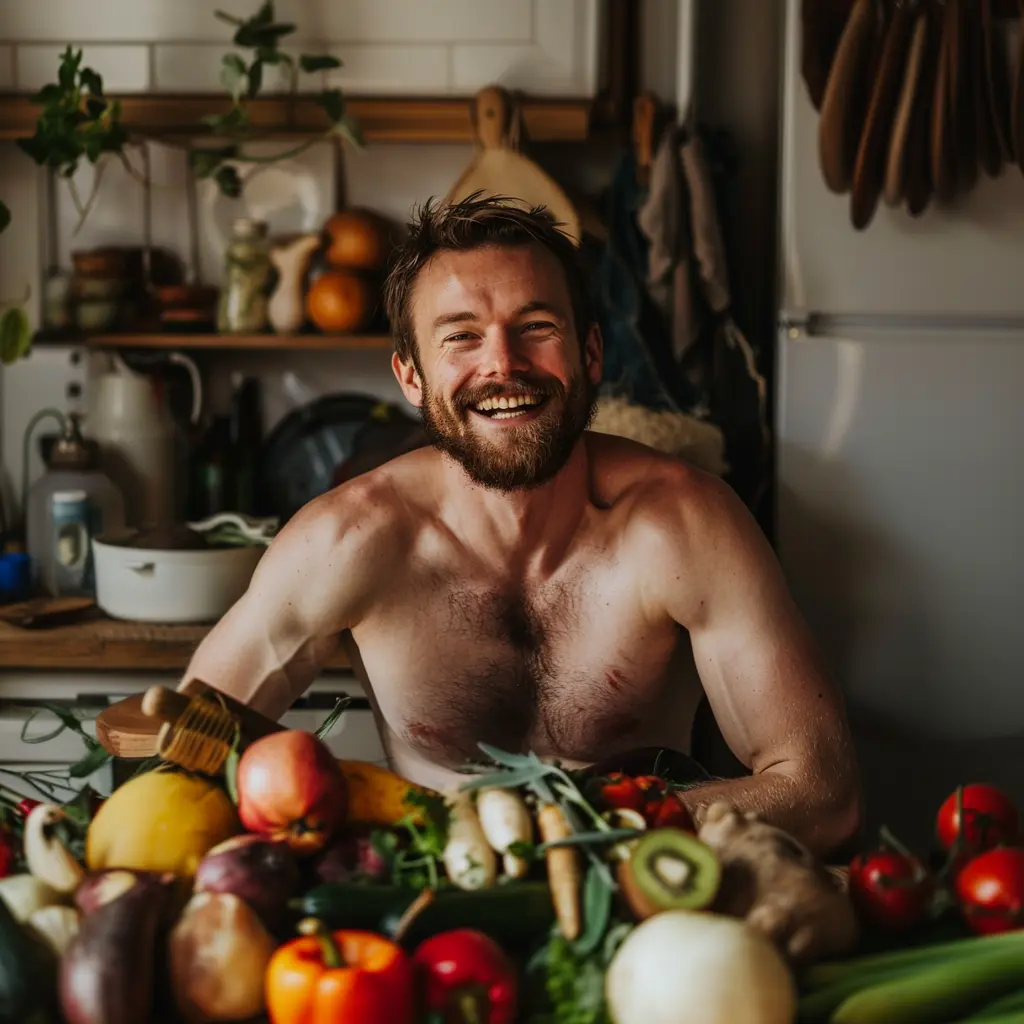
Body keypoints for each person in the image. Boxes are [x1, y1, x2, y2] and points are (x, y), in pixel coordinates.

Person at [181, 194, 861, 858]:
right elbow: (184, 755)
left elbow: (823, 793)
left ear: (591, 354)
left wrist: (595, 830)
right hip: (435, 904)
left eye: (536, 326)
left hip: (644, 903)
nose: (502, 364)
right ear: (411, 378)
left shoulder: (684, 524)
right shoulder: (346, 540)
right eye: (462, 337)